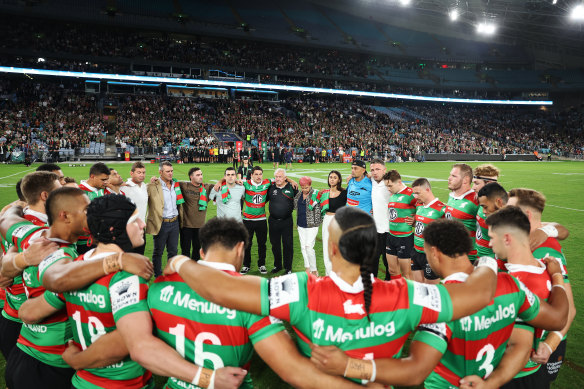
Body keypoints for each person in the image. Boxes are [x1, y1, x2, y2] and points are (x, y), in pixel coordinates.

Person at [163, 206, 500, 386]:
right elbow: (480, 291)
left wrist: (179, 260)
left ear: (332, 248)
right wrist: (487, 259)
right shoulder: (410, 295)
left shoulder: (301, 290)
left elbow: (219, 288)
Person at [309, 219, 568, 389]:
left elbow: (415, 371)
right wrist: (557, 275)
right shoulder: (511, 286)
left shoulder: (441, 305)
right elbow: (556, 319)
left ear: (434, 253)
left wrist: (347, 365)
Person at [123, 218, 365, 389]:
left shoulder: (159, 288)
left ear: (201, 251)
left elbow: (141, 345)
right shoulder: (252, 300)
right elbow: (294, 370)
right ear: (240, 248)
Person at [19, 194, 154, 388]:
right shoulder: (127, 276)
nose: (143, 225)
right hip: (124, 382)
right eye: (135, 221)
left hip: (82, 381)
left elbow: (28, 313)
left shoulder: (75, 269)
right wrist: (78, 360)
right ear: (113, 230)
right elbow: (130, 340)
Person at [4, 187, 89, 389]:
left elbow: (7, 221)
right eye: (86, 210)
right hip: (50, 364)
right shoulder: (61, 256)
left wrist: (16, 207)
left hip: (23, 351)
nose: (91, 215)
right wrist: (111, 263)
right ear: (65, 215)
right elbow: (59, 277)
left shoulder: (34, 236)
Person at [506, 189, 576, 386]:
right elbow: (559, 228)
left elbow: (568, 310)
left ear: (526, 215)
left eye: (510, 210)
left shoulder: (544, 251)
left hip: (543, 343)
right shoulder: (529, 238)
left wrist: (548, 345)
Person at [0, 172, 61, 360]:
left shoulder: (14, 219)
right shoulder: (38, 231)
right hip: (26, 318)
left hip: (17, 314)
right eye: (59, 189)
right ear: (45, 195)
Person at [147, 161, 181, 277]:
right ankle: (158, 276)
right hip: (161, 223)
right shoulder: (153, 185)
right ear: (160, 172)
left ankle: (171, 275)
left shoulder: (176, 184)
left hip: (174, 222)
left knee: (173, 251)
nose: (170, 173)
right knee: (158, 252)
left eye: (171, 171)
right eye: (167, 171)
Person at [409, 178, 445, 283]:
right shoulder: (419, 205)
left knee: (430, 291)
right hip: (415, 251)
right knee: (418, 288)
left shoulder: (441, 209)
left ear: (428, 190)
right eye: (414, 194)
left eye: (418, 193)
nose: (415, 196)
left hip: (430, 255)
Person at [383, 169, 416, 280]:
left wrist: (415, 220)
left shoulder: (411, 194)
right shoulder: (393, 194)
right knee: (392, 271)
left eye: (390, 186)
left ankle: (409, 296)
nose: (388, 189)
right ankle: (397, 294)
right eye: (387, 186)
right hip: (391, 236)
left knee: (407, 274)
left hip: (404, 238)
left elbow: (423, 207)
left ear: (399, 182)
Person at [238, 166, 271, 275]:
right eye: (256, 174)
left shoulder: (267, 183)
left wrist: (291, 180)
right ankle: (246, 265)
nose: (258, 176)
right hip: (247, 220)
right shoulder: (246, 183)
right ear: (251, 175)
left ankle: (261, 264)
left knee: (262, 243)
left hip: (261, 219)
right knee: (247, 243)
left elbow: (281, 178)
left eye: (260, 174)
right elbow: (230, 180)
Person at [445, 163, 480, 261]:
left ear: (465, 180)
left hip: (469, 257)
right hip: (452, 253)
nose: (449, 178)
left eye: (454, 176)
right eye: (450, 175)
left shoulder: (475, 199)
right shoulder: (452, 196)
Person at [267, 168, 298, 274]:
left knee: (288, 245)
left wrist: (291, 180)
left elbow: (300, 200)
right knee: (275, 245)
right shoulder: (270, 188)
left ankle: (288, 268)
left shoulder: (292, 187)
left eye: (280, 177)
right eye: (276, 176)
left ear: (285, 178)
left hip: (287, 221)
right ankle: (278, 266)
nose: (278, 179)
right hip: (273, 221)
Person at [178, 167, 213, 261]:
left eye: (201, 174)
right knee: (185, 250)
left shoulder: (207, 187)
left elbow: (223, 184)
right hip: (186, 225)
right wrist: (155, 180)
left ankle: (194, 270)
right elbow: (169, 182)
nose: (201, 177)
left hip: (200, 226)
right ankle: (185, 270)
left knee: (197, 250)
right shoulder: (184, 186)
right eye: (198, 175)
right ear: (191, 177)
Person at [78, 162, 110, 254]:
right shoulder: (80, 192)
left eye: (107, 179)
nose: (106, 182)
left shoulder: (100, 190)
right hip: (84, 242)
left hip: (98, 239)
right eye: (103, 180)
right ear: (92, 176)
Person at [294, 177, 321, 276]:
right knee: (303, 247)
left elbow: (322, 206)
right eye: (302, 187)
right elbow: (295, 206)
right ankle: (307, 267)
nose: (304, 190)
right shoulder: (299, 194)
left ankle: (314, 270)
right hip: (301, 224)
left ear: (310, 185)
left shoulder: (316, 194)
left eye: (306, 187)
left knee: (309, 247)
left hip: (312, 225)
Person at [321, 171, 347, 275]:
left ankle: (338, 276)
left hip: (338, 222)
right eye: (330, 177)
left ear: (339, 180)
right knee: (326, 249)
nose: (332, 179)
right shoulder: (324, 193)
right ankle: (329, 276)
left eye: (335, 177)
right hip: (326, 220)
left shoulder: (344, 192)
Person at [472, 164, 500, 258]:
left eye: (476, 183)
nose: (473, 187)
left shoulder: (499, 208)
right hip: (480, 259)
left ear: (488, 184)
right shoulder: (483, 201)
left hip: (492, 264)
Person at [369, 159, 390, 279]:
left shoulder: (390, 183)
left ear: (384, 170)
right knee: (373, 261)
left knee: (388, 263)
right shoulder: (371, 181)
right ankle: (373, 286)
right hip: (375, 230)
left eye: (378, 169)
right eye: (372, 170)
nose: (375, 172)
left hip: (389, 230)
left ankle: (389, 285)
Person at [124, 161, 148, 255]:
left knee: (140, 257)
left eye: (143, 172)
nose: (142, 175)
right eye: (139, 172)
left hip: (141, 229)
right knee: (129, 259)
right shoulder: (125, 187)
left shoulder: (144, 186)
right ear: (131, 173)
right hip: (129, 230)